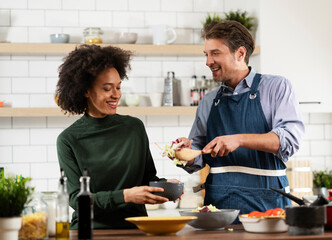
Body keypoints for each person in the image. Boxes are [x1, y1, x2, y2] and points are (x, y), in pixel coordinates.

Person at [176, 21, 305, 219]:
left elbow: (289, 140)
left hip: (268, 208)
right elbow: (199, 156)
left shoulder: (276, 87)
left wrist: (239, 139)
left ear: (240, 54)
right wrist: (183, 152)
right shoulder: (208, 101)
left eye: (215, 53)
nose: (208, 61)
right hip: (219, 210)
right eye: (206, 54)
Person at [56, 44, 180, 229]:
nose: (116, 95)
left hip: (135, 228)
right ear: (86, 91)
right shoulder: (68, 139)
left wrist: (166, 186)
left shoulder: (134, 128)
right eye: (107, 89)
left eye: (118, 87)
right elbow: (76, 200)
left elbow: (146, 179)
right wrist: (126, 196)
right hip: (89, 230)